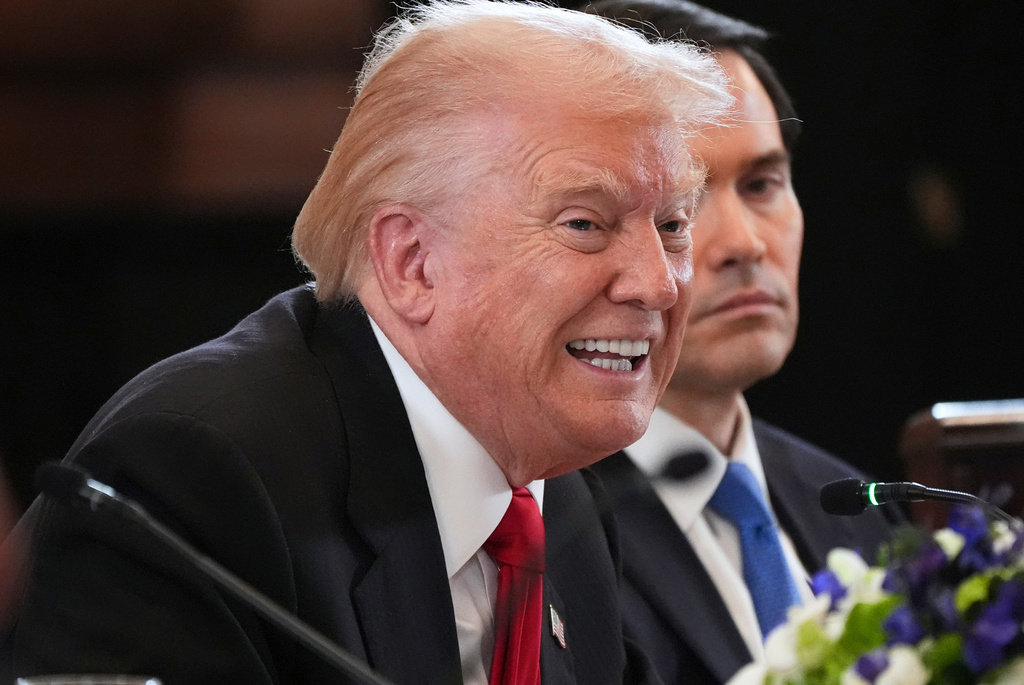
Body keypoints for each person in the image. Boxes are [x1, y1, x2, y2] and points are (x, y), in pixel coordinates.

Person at [3, 1, 731, 683]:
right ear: (411, 262)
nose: (658, 284)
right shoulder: (201, 477)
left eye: (671, 225)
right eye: (585, 224)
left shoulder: (563, 498)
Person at [579, 1, 902, 684]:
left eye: (762, 184)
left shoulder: (852, 506)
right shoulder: (544, 530)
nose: (746, 243)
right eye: (683, 205)